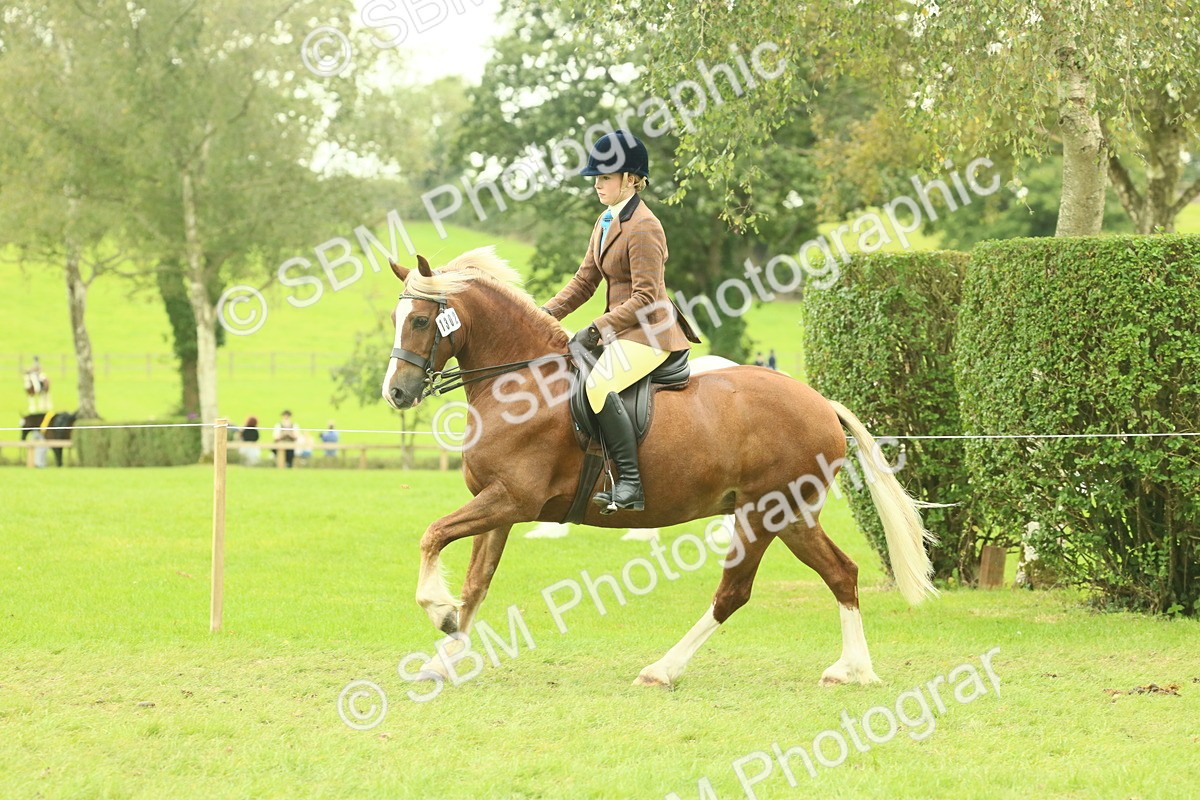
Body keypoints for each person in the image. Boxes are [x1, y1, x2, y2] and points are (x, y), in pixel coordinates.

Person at [541, 129, 700, 514]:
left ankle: (630, 482)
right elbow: (584, 282)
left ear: (631, 179)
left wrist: (597, 329)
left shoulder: (645, 226)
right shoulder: (606, 220)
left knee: (599, 384)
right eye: (596, 177)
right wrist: (542, 315)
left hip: (650, 334)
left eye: (605, 177)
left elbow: (645, 297)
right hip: (622, 332)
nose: (597, 184)